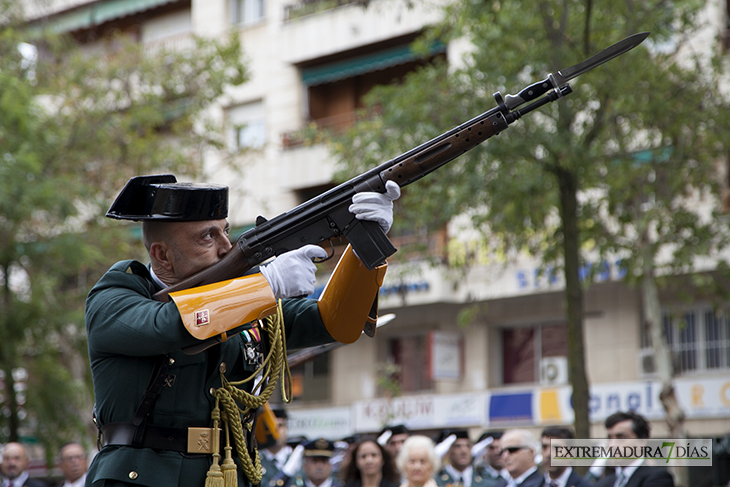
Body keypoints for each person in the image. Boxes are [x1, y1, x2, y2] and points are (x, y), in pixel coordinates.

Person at [85, 174, 400, 487]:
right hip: (140, 477)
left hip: (231, 473)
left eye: (224, 230)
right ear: (161, 254)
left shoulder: (244, 301)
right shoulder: (116, 296)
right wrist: (266, 285)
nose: (226, 246)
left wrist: (363, 250)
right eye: (207, 236)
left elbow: (336, 323)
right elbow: (167, 325)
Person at [593, 411, 674, 487]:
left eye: (621, 437)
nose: (612, 445)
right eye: (610, 438)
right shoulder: (603, 483)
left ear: (641, 441)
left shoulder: (658, 478)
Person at [261, 408, 294, 487]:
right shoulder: (254, 461)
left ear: (286, 429)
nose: (275, 430)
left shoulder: (296, 460)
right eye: (271, 426)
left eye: (280, 425)